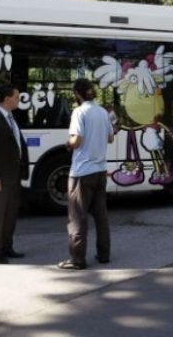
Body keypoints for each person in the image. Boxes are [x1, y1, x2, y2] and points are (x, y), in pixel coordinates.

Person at [58, 79, 114, 270]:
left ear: (77, 93)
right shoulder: (102, 112)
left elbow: (77, 140)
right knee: (101, 216)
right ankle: (104, 254)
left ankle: (77, 259)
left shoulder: (79, 112)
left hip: (82, 172)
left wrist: (68, 144)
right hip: (100, 170)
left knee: (77, 217)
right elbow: (110, 138)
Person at [0, 84, 29, 264]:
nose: (19, 100)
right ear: (7, 99)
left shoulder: (11, 118)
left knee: (10, 215)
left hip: (14, 176)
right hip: (0, 178)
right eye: (17, 97)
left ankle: (7, 247)